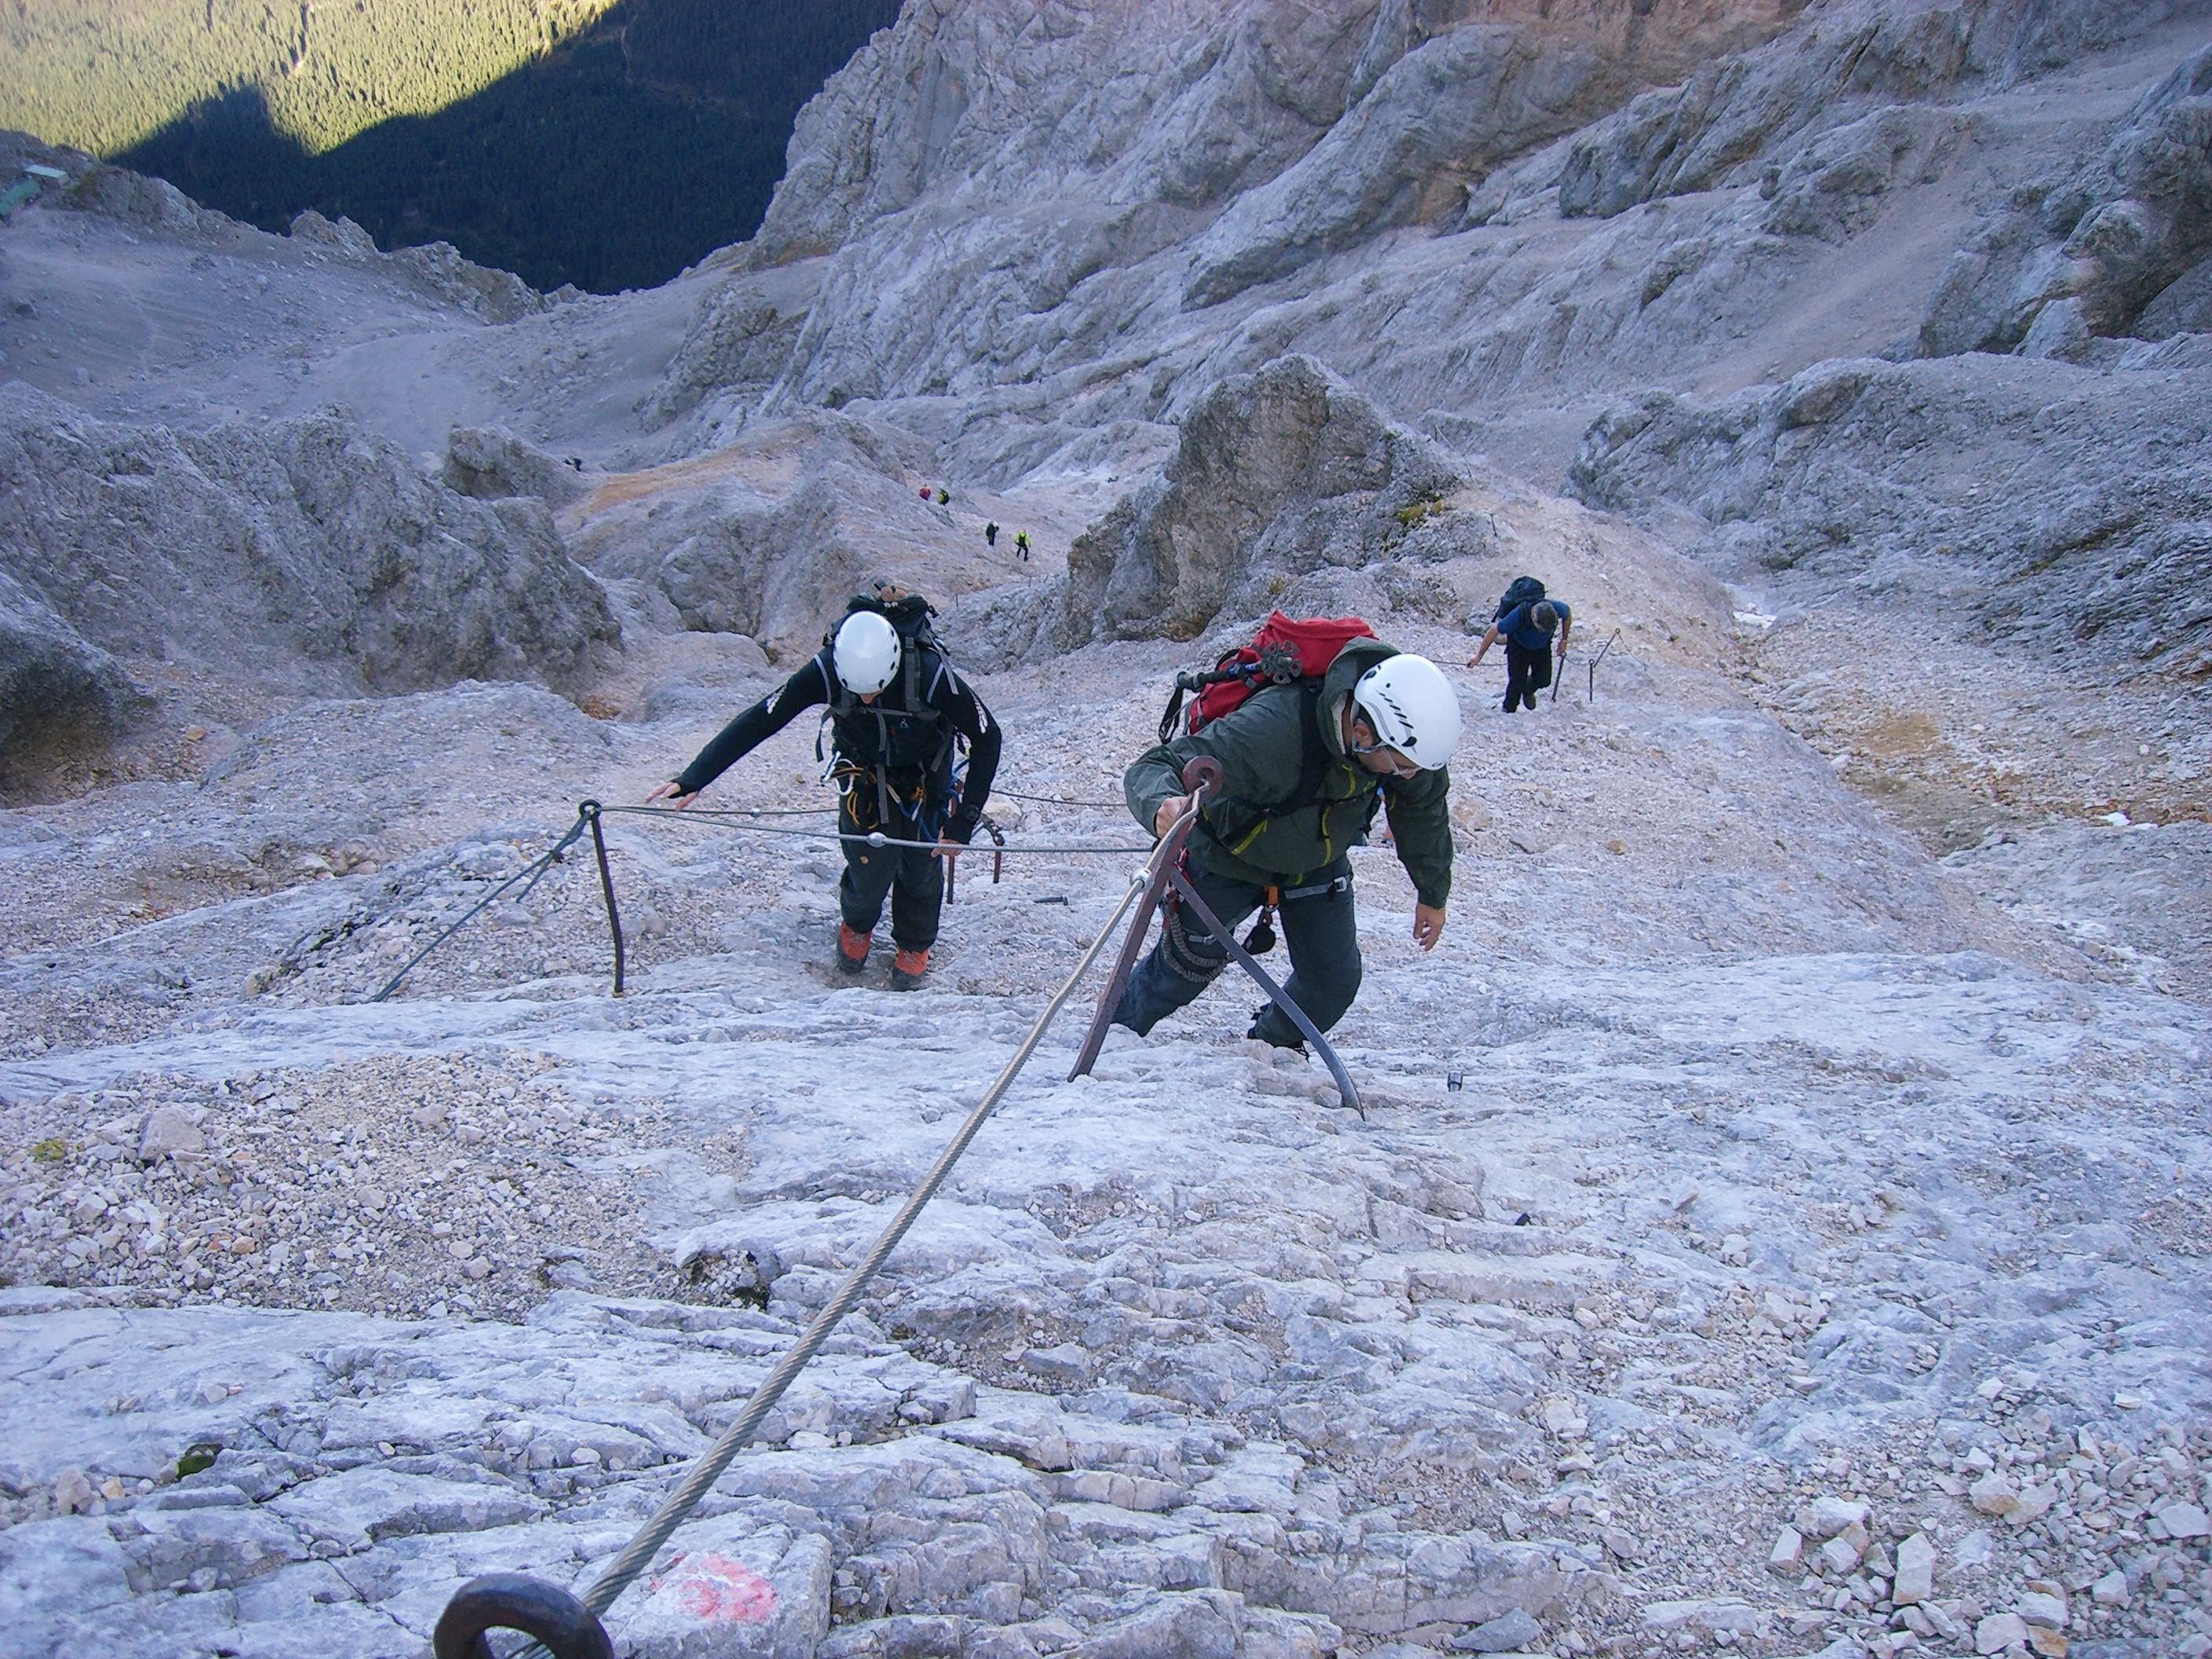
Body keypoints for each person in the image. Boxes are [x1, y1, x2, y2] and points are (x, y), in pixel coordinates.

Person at [646, 591, 1001, 989]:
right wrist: (696, 776)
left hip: (925, 778)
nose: (867, 699)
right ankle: (857, 922)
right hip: (863, 776)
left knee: (921, 866)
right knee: (866, 861)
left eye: (876, 690)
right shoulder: (828, 668)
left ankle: (915, 942)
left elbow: (988, 738)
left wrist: (962, 823)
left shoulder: (931, 674)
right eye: (861, 692)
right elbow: (765, 717)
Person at [1112, 643, 1459, 1049]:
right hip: (1229, 857)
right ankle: (1116, 1034)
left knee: (1332, 982)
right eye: (1401, 766)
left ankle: (1269, 1046)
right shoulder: (1272, 729)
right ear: (1363, 735)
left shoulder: (1406, 746)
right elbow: (1157, 765)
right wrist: (1162, 806)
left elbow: (1424, 815)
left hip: (1317, 862)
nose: (1409, 775)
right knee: (1181, 971)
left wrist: (1433, 894)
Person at [1470, 596, 1570, 712]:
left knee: (1544, 680)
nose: (1543, 631)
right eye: (1541, 629)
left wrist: (1564, 640)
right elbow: (1494, 630)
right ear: (1533, 617)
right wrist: (1479, 656)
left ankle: (1527, 690)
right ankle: (1508, 710)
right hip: (1518, 648)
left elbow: (1567, 615)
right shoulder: (1518, 615)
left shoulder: (1557, 607)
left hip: (1542, 647)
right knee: (1516, 682)